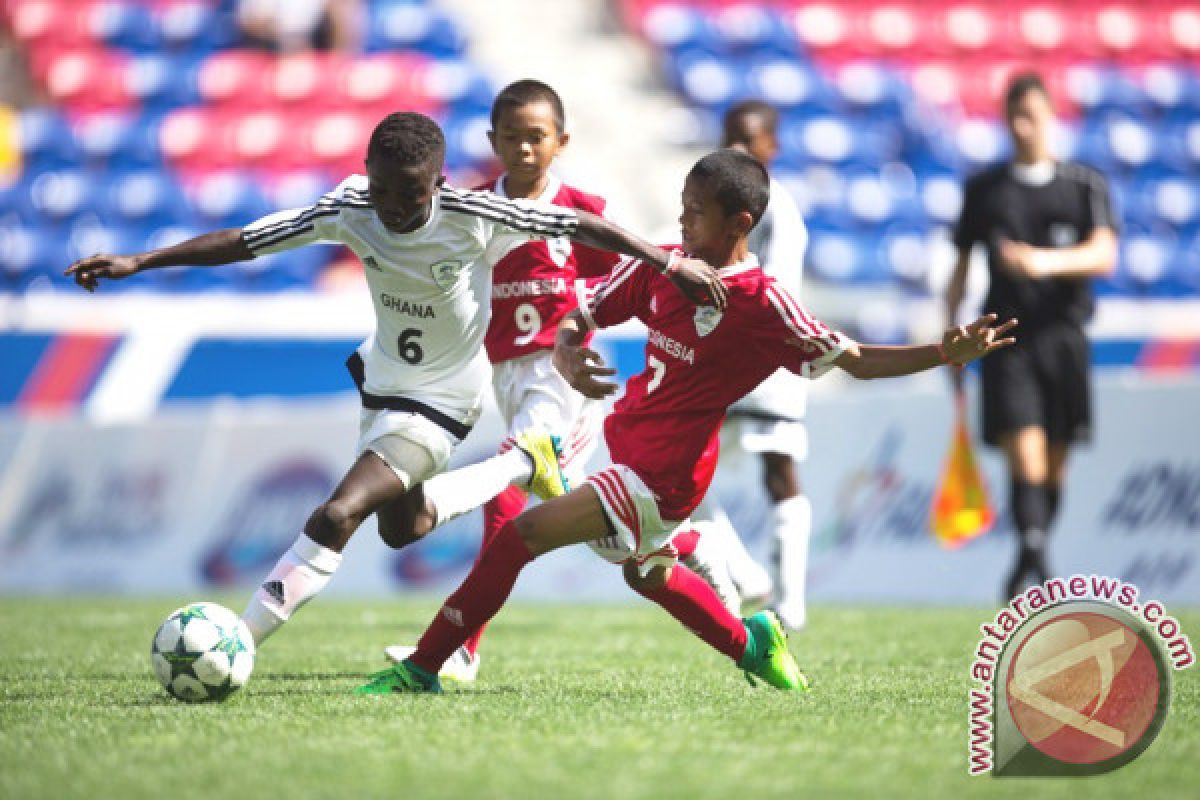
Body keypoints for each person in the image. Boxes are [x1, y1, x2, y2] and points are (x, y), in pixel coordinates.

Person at [357, 148, 1017, 695]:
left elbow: (859, 360)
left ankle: (426, 666)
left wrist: (944, 352)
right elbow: (586, 311)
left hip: (664, 476)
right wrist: (569, 350)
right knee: (645, 573)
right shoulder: (667, 266)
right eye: (682, 206)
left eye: (696, 213)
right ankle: (751, 642)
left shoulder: (766, 307)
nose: (682, 220)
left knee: (516, 537)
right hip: (627, 451)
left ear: (740, 222)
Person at [65, 111, 729, 651]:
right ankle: (517, 469)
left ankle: (237, 641)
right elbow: (246, 240)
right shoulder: (351, 207)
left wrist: (665, 265)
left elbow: (576, 223)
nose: (395, 208)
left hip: (443, 401)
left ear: (438, 181)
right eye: (383, 190)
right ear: (366, 176)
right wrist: (140, 259)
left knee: (337, 512)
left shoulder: (476, 215)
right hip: (382, 388)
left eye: (411, 194)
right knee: (401, 526)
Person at [381, 80, 620, 681]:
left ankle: (458, 647)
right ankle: (701, 551)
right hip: (504, 373)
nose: (523, 149)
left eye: (536, 137)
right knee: (613, 534)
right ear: (492, 141)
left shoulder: (580, 209)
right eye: (510, 138)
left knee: (509, 493)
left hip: (558, 375)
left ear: (560, 141)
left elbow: (612, 287)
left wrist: (581, 343)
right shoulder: (475, 208)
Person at [946, 72, 1118, 600]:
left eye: (1033, 117)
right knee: (1027, 453)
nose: (1023, 128)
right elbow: (961, 266)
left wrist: (1041, 263)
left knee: (1056, 462)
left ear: (1050, 117)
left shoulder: (1083, 184)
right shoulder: (985, 189)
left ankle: (1028, 560)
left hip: (1065, 337)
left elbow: (1104, 254)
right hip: (1007, 338)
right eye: (1014, 117)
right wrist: (949, 335)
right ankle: (1041, 569)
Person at [681, 99, 814, 629]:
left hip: (762, 357)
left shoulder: (775, 205)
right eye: (730, 138)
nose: (738, 149)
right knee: (686, 475)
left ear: (771, 146)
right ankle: (752, 577)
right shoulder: (718, 203)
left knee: (777, 473)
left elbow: (769, 285)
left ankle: (784, 597)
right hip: (724, 355)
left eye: (750, 140)